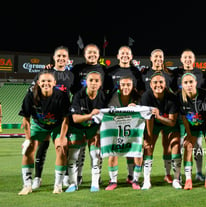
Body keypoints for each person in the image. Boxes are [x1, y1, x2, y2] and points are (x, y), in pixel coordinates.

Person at [18, 71, 70, 195]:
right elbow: (26, 119)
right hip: (39, 125)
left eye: (49, 81)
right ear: (38, 83)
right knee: (28, 149)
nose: (46, 83)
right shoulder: (31, 95)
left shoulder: (61, 96)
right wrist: (27, 139)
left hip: (57, 125)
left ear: (54, 83)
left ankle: (58, 185)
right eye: (43, 81)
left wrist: (62, 138)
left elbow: (66, 119)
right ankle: (27, 185)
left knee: (61, 148)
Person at [31, 46, 74, 190]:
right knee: (42, 147)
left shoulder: (71, 75)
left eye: (64, 56)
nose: (61, 58)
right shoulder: (46, 72)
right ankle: (37, 177)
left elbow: (76, 93)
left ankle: (66, 176)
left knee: (63, 146)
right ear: (54, 58)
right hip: (44, 117)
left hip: (61, 118)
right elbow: (33, 91)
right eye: (59, 56)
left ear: (68, 59)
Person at [106, 46, 144, 185]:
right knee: (113, 149)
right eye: (122, 53)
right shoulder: (110, 72)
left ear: (131, 56)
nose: (125, 56)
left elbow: (140, 92)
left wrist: (136, 105)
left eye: (127, 54)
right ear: (117, 56)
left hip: (132, 115)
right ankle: (112, 180)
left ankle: (131, 176)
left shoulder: (136, 72)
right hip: (113, 114)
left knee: (132, 148)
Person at [65, 71, 107, 192]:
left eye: (96, 81)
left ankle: (95, 183)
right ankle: (73, 184)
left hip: (93, 129)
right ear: (86, 82)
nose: (93, 83)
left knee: (96, 155)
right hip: (77, 128)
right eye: (91, 80)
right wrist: (90, 115)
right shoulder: (79, 95)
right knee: (73, 156)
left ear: (100, 84)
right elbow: (75, 118)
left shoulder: (103, 96)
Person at [140, 72, 182, 190]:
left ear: (165, 84)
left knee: (175, 145)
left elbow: (172, 122)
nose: (158, 85)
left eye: (161, 82)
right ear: (150, 85)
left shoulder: (172, 98)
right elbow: (148, 119)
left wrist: (159, 117)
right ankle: (147, 180)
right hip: (153, 122)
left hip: (167, 122)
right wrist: (148, 138)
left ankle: (176, 179)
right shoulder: (146, 96)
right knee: (148, 146)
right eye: (155, 82)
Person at [177, 73, 206, 190]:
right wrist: (188, 135)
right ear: (182, 85)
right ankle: (188, 179)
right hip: (191, 126)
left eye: (191, 82)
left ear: (195, 83)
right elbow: (184, 117)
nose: (189, 85)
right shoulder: (180, 97)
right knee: (188, 145)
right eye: (186, 83)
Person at [175, 49, 206, 182]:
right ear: (181, 60)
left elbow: (203, 94)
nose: (188, 59)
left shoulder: (200, 74)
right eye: (185, 57)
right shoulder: (176, 74)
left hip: (197, 117)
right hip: (182, 117)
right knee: (180, 146)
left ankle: (199, 173)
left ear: (194, 60)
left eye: (190, 57)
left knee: (198, 146)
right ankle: (178, 176)